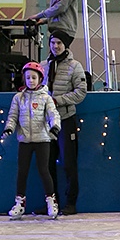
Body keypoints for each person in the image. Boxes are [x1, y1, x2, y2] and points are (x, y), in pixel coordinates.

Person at [2, 62, 61, 220]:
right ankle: (19, 203)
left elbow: (53, 114)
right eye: (28, 77)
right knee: (22, 171)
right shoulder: (18, 98)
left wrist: (54, 126)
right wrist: (9, 128)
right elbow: (13, 116)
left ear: (40, 79)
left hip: (42, 139)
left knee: (44, 170)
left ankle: (51, 201)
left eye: (34, 77)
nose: (31, 80)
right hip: (25, 140)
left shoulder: (45, 98)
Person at [41, 30, 87, 215]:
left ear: (66, 45)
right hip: (45, 122)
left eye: (59, 43)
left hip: (66, 119)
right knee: (47, 163)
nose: (55, 46)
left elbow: (81, 92)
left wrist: (58, 100)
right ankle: (52, 203)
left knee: (69, 163)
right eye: (53, 42)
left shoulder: (75, 66)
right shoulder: (44, 66)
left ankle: (71, 203)